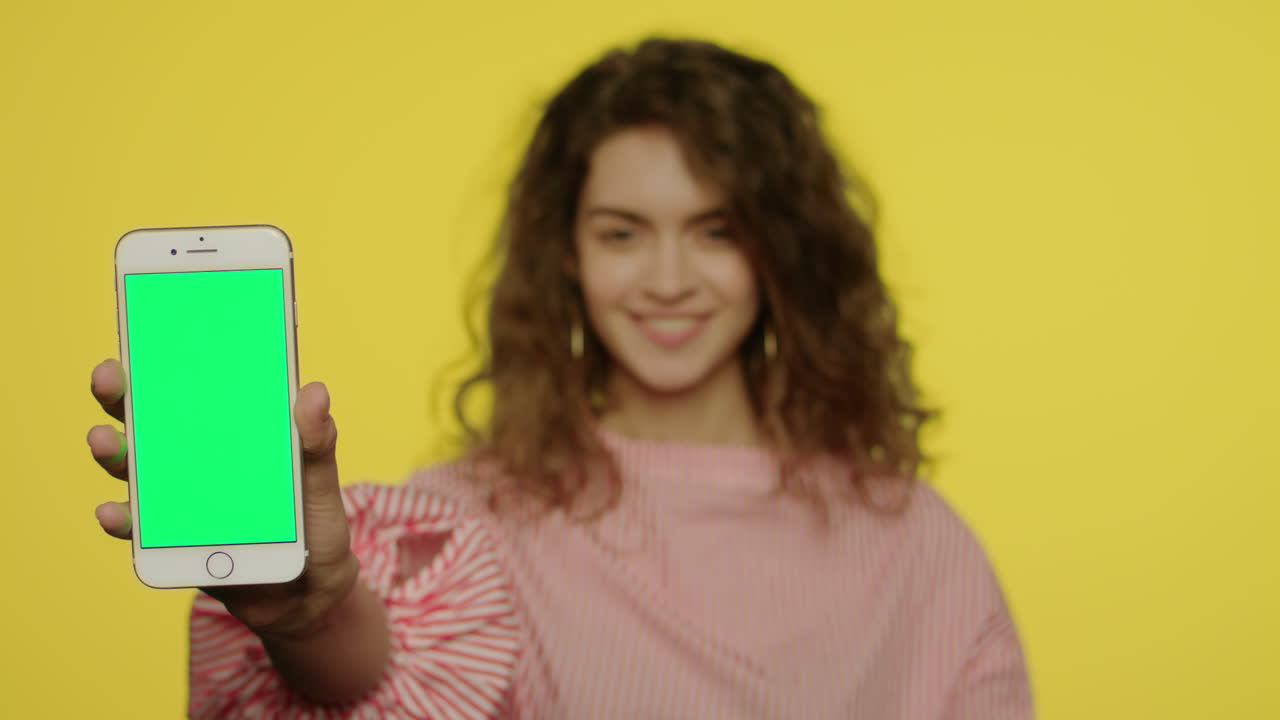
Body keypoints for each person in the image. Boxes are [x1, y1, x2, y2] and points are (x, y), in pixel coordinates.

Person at [87, 36, 1033, 719]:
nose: (668, 280)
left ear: (783, 251)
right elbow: (370, 671)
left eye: (716, 230)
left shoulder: (914, 544)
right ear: (567, 256)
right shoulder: (467, 524)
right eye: (622, 232)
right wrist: (310, 611)